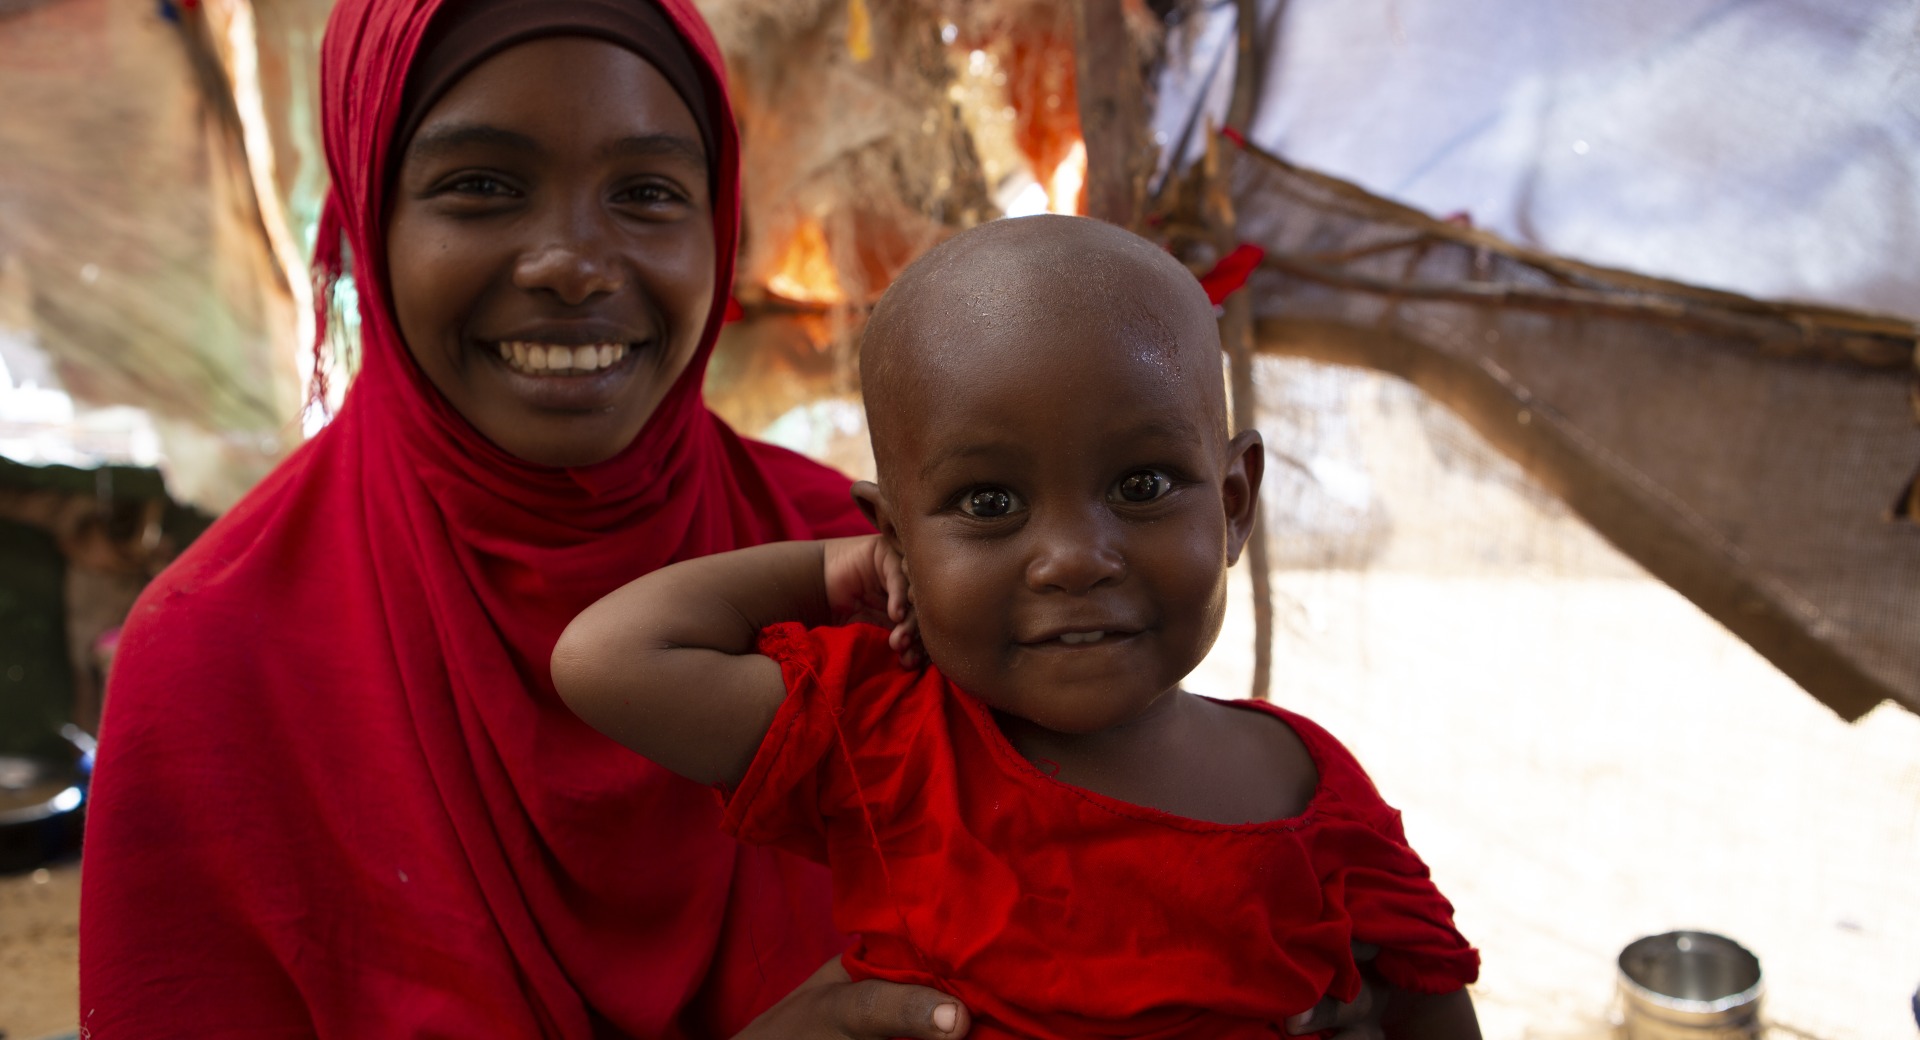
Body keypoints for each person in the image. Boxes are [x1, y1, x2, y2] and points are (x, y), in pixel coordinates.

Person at [77, 0, 967, 1035]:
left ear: (717, 221)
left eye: (646, 192)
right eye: (481, 187)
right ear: (371, 217)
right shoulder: (213, 661)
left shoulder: (867, 584)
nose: (572, 263)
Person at [552, 215, 1483, 1038]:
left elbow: (1426, 999)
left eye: (1143, 485)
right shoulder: (888, 736)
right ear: (898, 542)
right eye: (989, 500)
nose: (1075, 557)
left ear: (1235, 502)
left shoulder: (1310, 793)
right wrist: (834, 567)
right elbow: (607, 660)